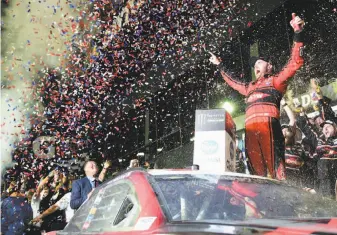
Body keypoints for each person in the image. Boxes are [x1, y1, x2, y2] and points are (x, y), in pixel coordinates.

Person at [209, 13, 304, 180]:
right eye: (254, 65)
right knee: (257, 176)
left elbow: (295, 62)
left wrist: (298, 32)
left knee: (276, 174)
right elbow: (232, 81)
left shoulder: (276, 81)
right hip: (251, 132)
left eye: (260, 62)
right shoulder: (248, 88)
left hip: (270, 128)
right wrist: (220, 65)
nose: (256, 66)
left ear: (270, 66)